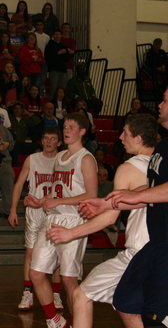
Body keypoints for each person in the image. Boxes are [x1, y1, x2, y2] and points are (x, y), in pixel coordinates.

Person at [46, 114, 157, 328]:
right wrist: (105, 202)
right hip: (157, 250)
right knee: (126, 306)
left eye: (125, 132)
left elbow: (110, 216)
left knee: (81, 295)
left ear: (139, 137)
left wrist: (71, 233)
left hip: (140, 252)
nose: (121, 137)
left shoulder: (128, 167)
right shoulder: (161, 163)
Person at [94, 90, 168, 328]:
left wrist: (132, 195)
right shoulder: (163, 147)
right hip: (156, 243)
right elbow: (153, 191)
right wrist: (107, 202)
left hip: (163, 246)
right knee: (126, 301)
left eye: (165, 99)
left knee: (153, 313)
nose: (159, 103)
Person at [29, 112, 98, 328]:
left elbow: (92, 194)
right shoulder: (60, 157)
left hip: (74, 221)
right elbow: (56, 191)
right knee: (36, 273)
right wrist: (41, 201)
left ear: (82, 131)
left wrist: (59, 202)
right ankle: (56, 320)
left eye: (71, 127)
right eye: (65, 126)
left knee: (68, 280)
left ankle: (79, 322)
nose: (66, 130)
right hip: (52, 219)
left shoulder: (86, 158)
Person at [8, 127, 64, 312]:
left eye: (53, 139)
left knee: (56, 255)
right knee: (30, 253)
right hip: (34, 212)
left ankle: (56, 294)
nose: (49, 142)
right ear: (41, 141)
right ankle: (27, 293)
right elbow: (18, 184)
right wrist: (13, 210)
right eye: (46, 138)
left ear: (59, 142)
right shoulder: (32, 159)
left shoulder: (63, 161)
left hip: (54, 211)